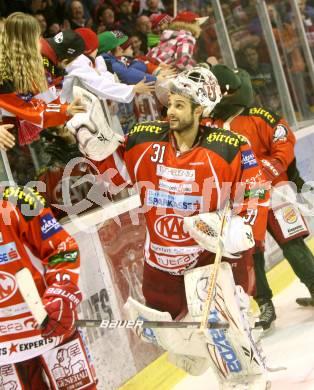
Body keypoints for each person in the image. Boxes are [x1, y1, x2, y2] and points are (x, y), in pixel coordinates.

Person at [68, 67, 270, 388]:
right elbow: (117, 177)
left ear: (200, 109)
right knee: (182, 349)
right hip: (159, 269)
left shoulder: (229, 146)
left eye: (179, 105)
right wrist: (92, 142)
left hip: (208, 263)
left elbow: (256, 188)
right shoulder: (145, 138)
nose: (170, 111)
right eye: (170, 103)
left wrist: (240, 226)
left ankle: (248, 379)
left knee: (229, 342)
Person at [203, 64, 314, 332]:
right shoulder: (208, 125)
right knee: (251, 254)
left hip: (274, 193)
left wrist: (266, 171)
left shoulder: (259, 116)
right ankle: (265, 304)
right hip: (239, 201)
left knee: (292, 243)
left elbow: (283, 142)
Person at [0, 185, 96, 388]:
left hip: (52, 330)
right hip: (5, 354)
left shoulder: (18, 200)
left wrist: (60, 295)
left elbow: (62, 250)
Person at [0, 13, 85, 145]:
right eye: (37, 36)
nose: (41, 41)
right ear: (24, 42)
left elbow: (32, 106)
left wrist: (64, 110)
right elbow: (30, 109)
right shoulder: (6, 75)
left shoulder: (15, 67)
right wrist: (65, 110)